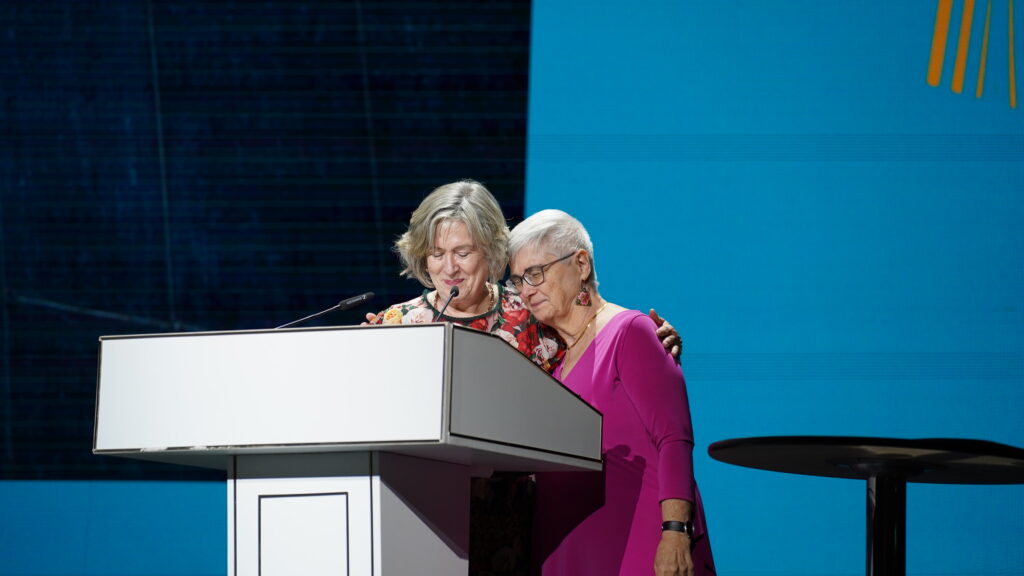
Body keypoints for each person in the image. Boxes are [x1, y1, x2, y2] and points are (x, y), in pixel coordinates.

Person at [508, 209, 714, 576]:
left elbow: (674, 439)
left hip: (640, 540)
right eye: (519, 280)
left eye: (536, 273)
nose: (527, 290)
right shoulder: (553, 358)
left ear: (582, 264)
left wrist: (675, 531)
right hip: (567, 542)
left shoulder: (631, 332)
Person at [365, 180, 682, 371]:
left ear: (490, 252)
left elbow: (600, 349)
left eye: (462, 253)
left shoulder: (533, 313)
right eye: (437, 254)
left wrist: (654, 342)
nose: (449, 269)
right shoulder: (396, 323)